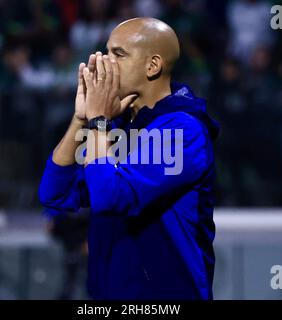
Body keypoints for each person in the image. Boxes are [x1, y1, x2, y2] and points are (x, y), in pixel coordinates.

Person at [39, 17, 219, 300]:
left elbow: (110, 197)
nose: (104, 64)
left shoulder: (183, 130)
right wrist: (80, 119)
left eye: (118, 55)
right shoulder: (117, 125)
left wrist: (98, 122)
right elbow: (54, 193)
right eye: (106, 52)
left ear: (153, 66)